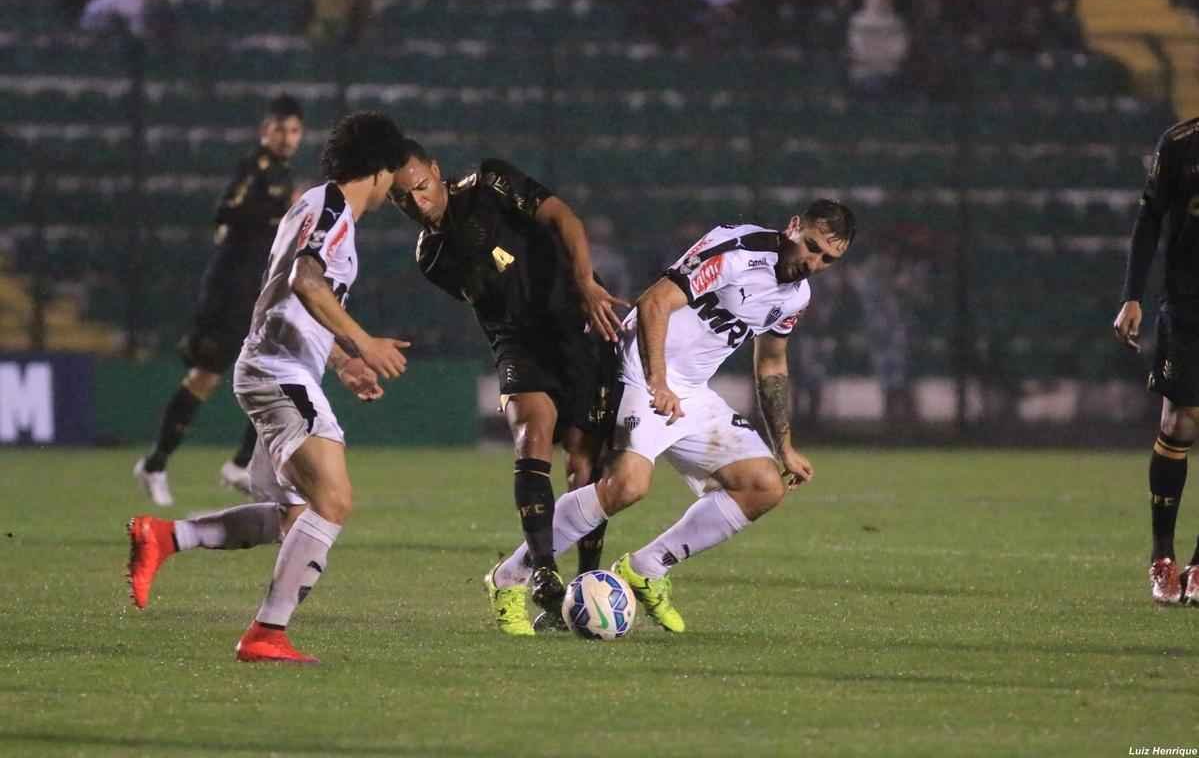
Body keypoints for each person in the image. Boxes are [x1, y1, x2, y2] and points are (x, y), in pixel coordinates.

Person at [488, 201, 855, 632]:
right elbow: (654, 303)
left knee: (764, 485)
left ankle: (646, 567)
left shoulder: (797, 295)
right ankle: (510, 577)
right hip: (640, 369)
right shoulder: (737, 250)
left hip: (692, 392)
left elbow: (772, 363)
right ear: (794, 226)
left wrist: (785, 447)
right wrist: (658, 381)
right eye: (811, 247)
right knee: (626, 487)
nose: (813, 262)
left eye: (828, 259)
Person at [127, 111, 410, 663]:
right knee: (334, 499)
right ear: (378, 170)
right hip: (278, 373)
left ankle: (166, 537)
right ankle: (266, 634)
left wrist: (342, 358)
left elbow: (291, 297)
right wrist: (364, 341)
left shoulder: (313, 205)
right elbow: (305, 280)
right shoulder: (331, 211)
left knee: (293, 515)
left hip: (278, 367)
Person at [388, 139, 626, 635]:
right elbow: (492, 299)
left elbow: (565, 218)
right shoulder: (430, 257)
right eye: (403, 198)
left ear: (436, 171)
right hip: (518, 342)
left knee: (585, 464)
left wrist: (583, 282)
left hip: (579, 322)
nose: (418, 202)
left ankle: (586, 587)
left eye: (422, 187)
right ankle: (542, 571)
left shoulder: (491, 183)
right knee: (530, 436)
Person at [133, 95, 304, 506]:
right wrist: (280, 211)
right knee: (205, 378)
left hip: (258, 292)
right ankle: (155, 464)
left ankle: (241, 464)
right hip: (229, 291)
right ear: (265, 131)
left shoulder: (283, 173)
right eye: (280, 129)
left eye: (294, 130)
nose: (287, 138)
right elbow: (225, 211)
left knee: (279, 373)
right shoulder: (255, 168)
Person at [1114, 117, 1199, 606]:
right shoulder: (1181, 144)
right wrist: (1132, 297)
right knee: (1179, 422)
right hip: (1186, 304)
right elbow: (1149, 218)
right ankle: (1163, 554)